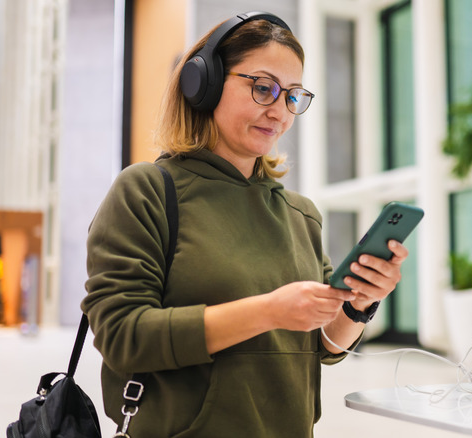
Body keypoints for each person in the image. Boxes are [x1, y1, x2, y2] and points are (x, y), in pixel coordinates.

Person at [82, 12, 410, 437]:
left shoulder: (300, 214)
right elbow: (122, 336)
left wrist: (361, 301)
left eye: (292, 95)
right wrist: (269, 310)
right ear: (205, 83)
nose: (279, 112)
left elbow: (325, 347)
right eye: (263, 88)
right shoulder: (146, 191)